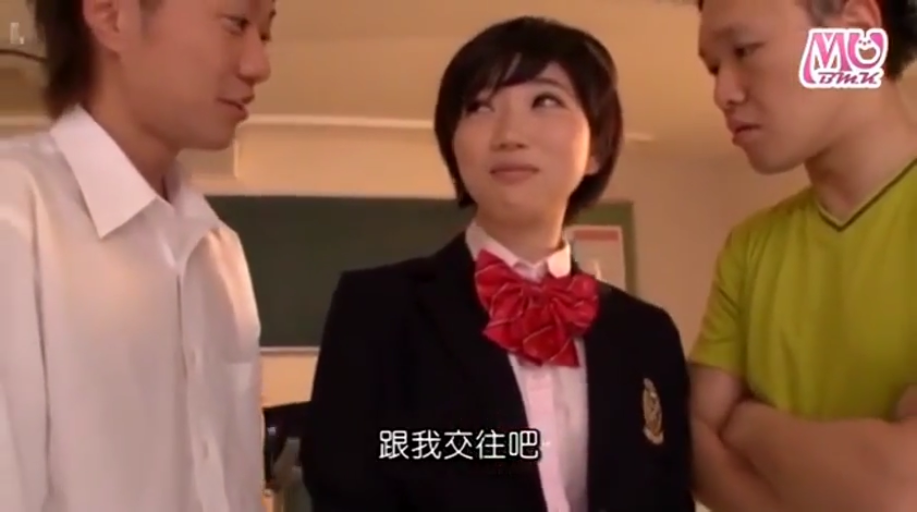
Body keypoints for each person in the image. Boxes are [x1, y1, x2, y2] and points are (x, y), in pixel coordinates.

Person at [300, 16, 693, 512]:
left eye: (544, 101)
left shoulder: (647, 335)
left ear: (596, 147)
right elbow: (345, 483)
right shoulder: (377, 309)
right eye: (480, 107)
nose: (509, 134)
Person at [0, 0, 274, 510]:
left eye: (266, 34)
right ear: (111, 15)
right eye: (236, 23)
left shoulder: (219, 251)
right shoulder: (15, 214)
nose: (259, 64)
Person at [691, 0, 917, 510]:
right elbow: (695, 442)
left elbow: (899, 491)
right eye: (713, 67)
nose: (722, 92)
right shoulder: (750, 246)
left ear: (855, 34)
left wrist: (749, 423)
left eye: (745, 50)